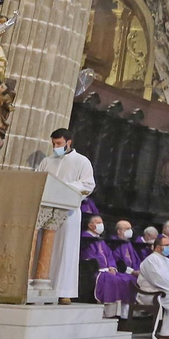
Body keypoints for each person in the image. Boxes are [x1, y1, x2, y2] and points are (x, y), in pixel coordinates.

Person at [36, 129, 94, 304]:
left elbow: (88, 184)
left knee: (65, 250)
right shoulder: (47, 161)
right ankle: (39, 287)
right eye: (53, 144)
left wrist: (65, 187)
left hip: (68, 212)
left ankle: (63, 290)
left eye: (59, 144)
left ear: (69, 142)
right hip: (46, 211)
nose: (55, 147)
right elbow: (38, 180)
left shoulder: (81, 161)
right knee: (44, 248)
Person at [80, 215, 134, 318]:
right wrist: (105, 269)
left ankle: (121, 313)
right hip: (96, 270)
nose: (101, 225)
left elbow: (109, 255)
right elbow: (89, 256)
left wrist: (113, 267)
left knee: (125, 278)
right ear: (90, 225)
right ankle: (108, 313)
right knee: (112, 279)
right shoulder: (86, 238)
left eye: (102, 222)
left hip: (108, 270)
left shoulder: (100, 239)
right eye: (98, 222)